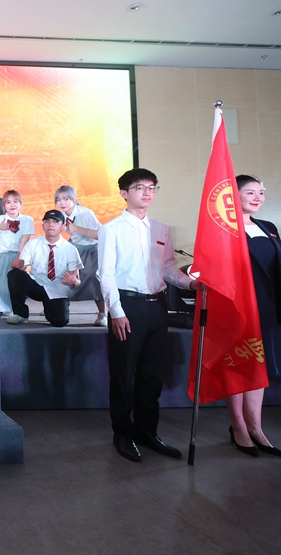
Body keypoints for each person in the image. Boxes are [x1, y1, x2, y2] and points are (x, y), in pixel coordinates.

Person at [98, 168, 201, 463]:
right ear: (124, 193)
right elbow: (105, 274)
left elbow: (167, 269)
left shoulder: (161, 229)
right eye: (140, 187)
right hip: (128, 307)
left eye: (152, 187)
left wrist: (191, 284)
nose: (147, 192)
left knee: (152, 374)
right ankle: (122, 433)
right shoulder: (111, 229)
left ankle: (147, 431)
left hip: (157, 306)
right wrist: (116, 312)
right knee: (123, 373)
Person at [226, 174, 281, 457]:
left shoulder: (268, 227)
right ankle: (238, 426)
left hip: (270, 307)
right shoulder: (225, 229)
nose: (258, 197)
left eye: (261, 192)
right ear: (233, 195)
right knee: (239, 366)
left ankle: (256, 427)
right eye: (250, 192)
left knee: (261, 367)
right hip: (240, 309)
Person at [6, 209, 82, 326]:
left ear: (63, 226)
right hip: (37, 285)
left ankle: (51, 308)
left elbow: (77, 281)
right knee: (14, 274)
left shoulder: (71, 250)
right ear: (43, 226)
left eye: (55, 222)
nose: (51, 224)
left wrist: (74, 281)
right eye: (47, 221)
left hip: (57, 289)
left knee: (60, 322)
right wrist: (17, 264)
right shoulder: (33, 244)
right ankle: (20, 314)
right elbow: (20, 264)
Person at [55, 185, 107, 326]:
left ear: (74, 199)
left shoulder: (86, 213)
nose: (62, 203)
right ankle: (56, 305)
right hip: (75, 246)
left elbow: (99, 235)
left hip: (92, 248)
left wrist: (77, 228)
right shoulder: (61, 214)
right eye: (59, 199)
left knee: (94, 278)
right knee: (61, 274)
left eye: (66, 199)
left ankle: (102, 313)